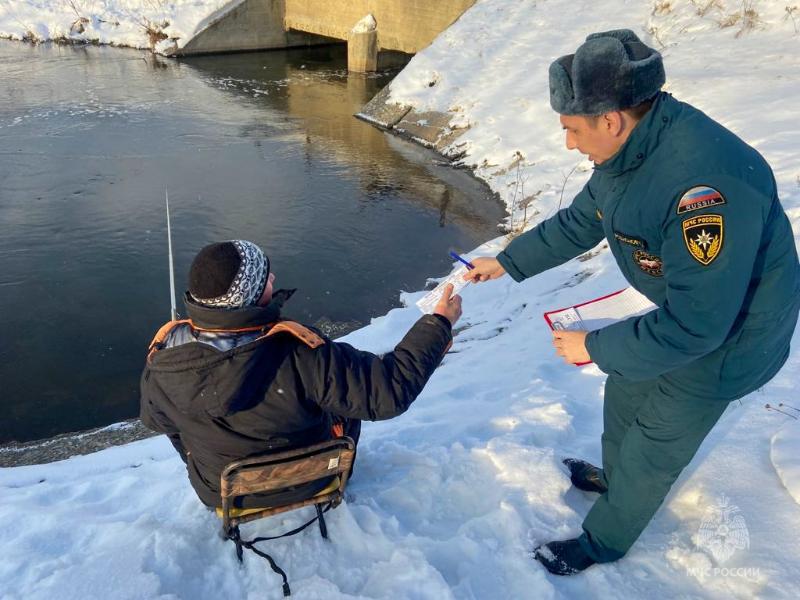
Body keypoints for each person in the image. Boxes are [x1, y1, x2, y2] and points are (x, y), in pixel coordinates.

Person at [464, 29, 800, 575]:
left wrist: (593, 345)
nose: (569, 143)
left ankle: (604, 542)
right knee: (626, 389)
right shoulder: (631, 151)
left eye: (572, 129)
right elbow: (582, 219)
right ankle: (614, 484)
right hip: (692, 312)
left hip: (732, 337)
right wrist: (508, 260)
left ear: (611, 120)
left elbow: (697, 328)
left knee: (654, 442)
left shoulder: (701, 188)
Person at [141, 240, 461, 510]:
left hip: (222, 493)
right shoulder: (301, 352)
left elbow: (157, 421)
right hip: (312, 481)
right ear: (250, 296)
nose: (273, 278)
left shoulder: (164, 359)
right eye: (265, 278)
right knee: (344, 402)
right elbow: (389, 391)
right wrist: (439, 324)